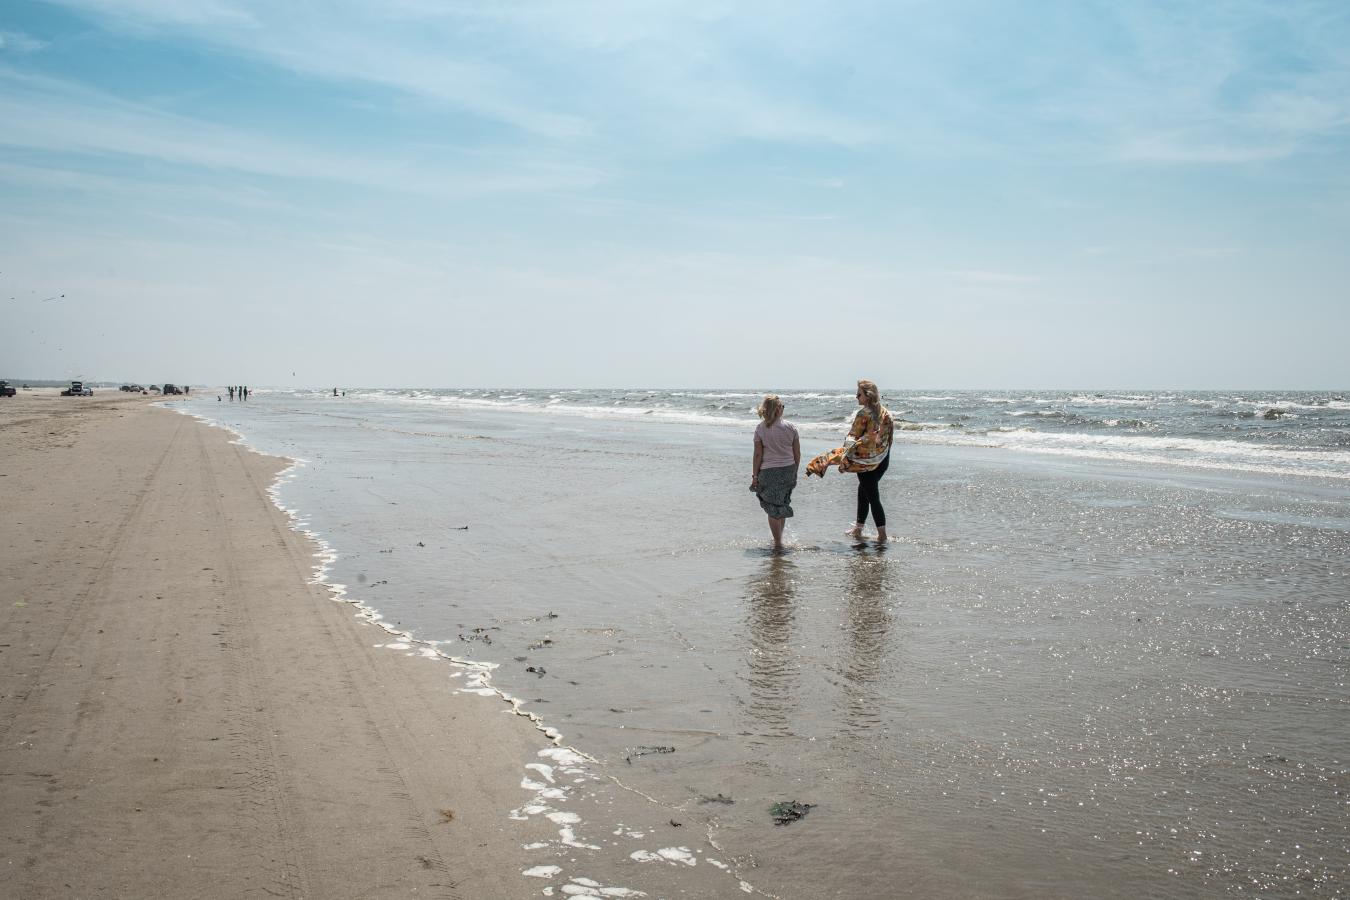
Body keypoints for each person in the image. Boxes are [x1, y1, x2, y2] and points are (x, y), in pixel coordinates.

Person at [805, 379, 894, 543]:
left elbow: (852, 437)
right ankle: (858, 529)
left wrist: (841, 455)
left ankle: (882, 535)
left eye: (858, 394)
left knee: (873, 496)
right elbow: (889, 439)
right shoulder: (886, 413)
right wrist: (881, 456)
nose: (856, 397)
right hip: (882, 460)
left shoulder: (863, 414)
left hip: (865, 462)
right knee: (864, 491)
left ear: (867, 395)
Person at [750, 394, 801, 551]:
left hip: (768, 471)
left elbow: (758, 455)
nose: (783, 409)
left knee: (772, 507)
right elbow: (797, 454)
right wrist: (795, 472)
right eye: (782, 406)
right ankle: (779, 538)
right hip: (788, 469)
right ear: (778, 409)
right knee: (782, 504)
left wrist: (755, 476)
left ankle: (778, 542)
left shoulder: (760, 429)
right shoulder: (791, 428)